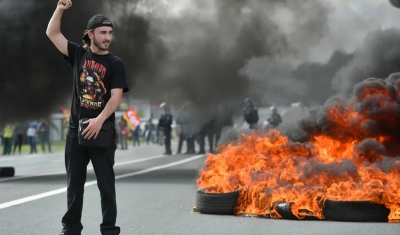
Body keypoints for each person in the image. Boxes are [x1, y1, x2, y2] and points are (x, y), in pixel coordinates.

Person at [46, 1, 129, 234]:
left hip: (102, 131)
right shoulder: (78, 54)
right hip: (76, 130)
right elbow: (52, 33)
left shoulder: (115, 63)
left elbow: (116, 97)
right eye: (103, 32)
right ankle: (71, 229)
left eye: (110, 33)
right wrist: (60, 9)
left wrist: (99, 120)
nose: (107, 37)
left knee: (106, 186)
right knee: (74, 186)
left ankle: (109, 229)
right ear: (90, 34)